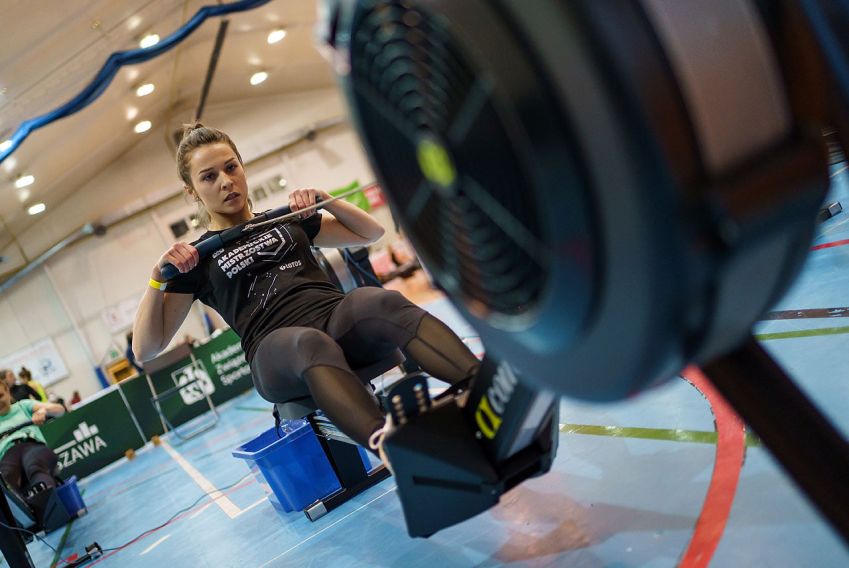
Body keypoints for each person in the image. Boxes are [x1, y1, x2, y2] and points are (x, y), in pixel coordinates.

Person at [133, 124, 480, 466]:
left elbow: (370, 233)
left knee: (381, 300)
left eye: (230, 167)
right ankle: (393, 450)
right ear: (192, 191)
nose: (225, 181)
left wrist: (326, 201)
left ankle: (482, 389)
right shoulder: (197, 260)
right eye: (209, 177)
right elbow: (145, 349)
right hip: (275, 351)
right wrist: (156, 278)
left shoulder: (287, 220)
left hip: (333, 319)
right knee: (310, 343)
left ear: (241, 166)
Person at [0, 379, 65, 509]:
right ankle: (27, 505)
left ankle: (47, 501)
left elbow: (60, 410)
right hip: (7, 457)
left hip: (32, 447)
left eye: (0, 395)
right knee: (8, 476)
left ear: (7, 391)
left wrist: (43, 411)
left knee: (33, 464)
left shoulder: (23, 406)